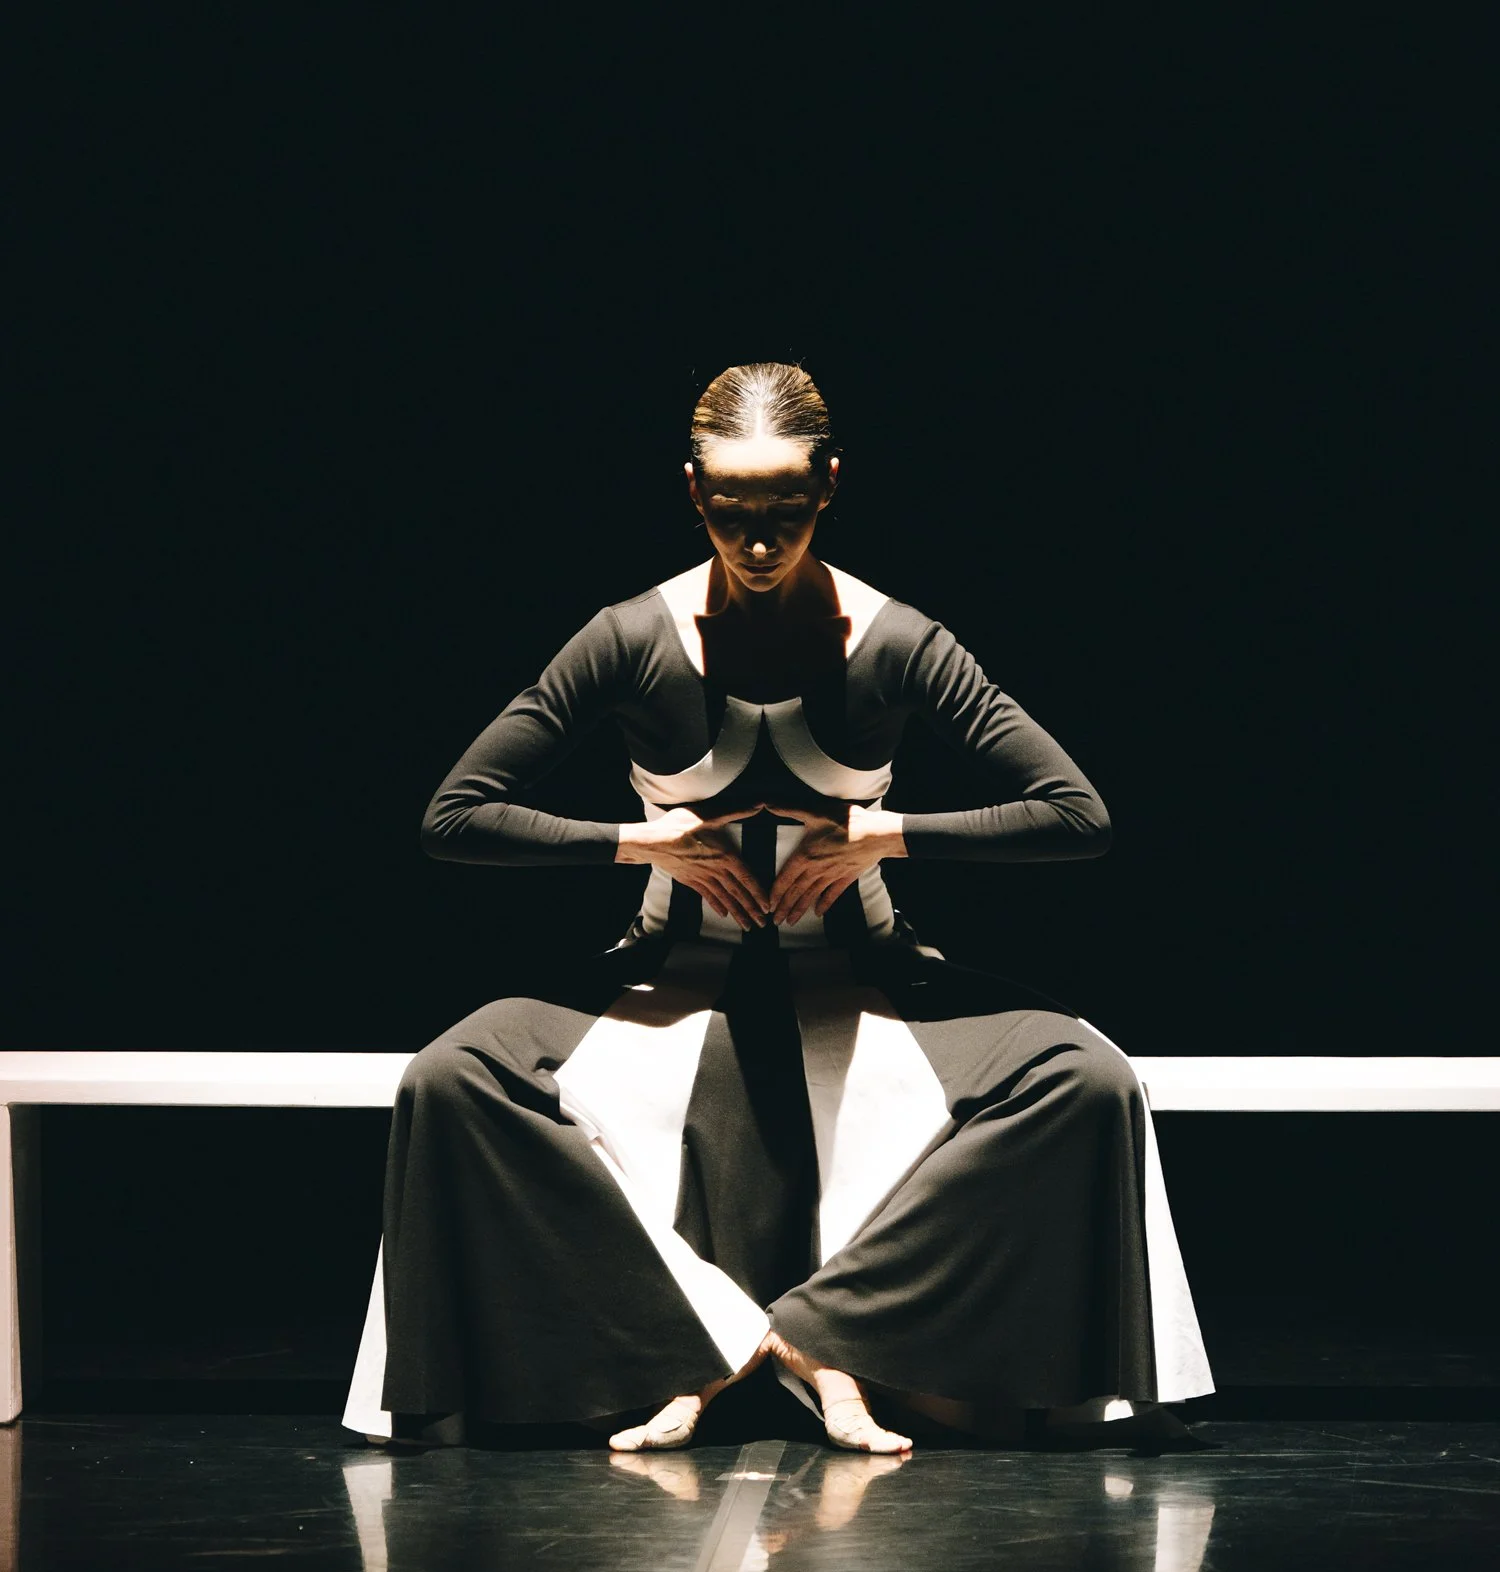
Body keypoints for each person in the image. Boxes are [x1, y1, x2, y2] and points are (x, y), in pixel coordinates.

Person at [341, 362, 1214, 1455]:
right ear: (695, 494)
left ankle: (815, 1336)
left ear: (830, 487)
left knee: (1088, 1080)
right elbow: (453, 814)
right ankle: (710, 1341)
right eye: (735, 511)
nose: (760, 540)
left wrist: (889, 836)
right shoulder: (629, 636)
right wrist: (636, 842)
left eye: (787, 510)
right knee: (447, 1080)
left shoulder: (896, 641)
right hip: (671, 968)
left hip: (864, 969)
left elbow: (1077, 813)